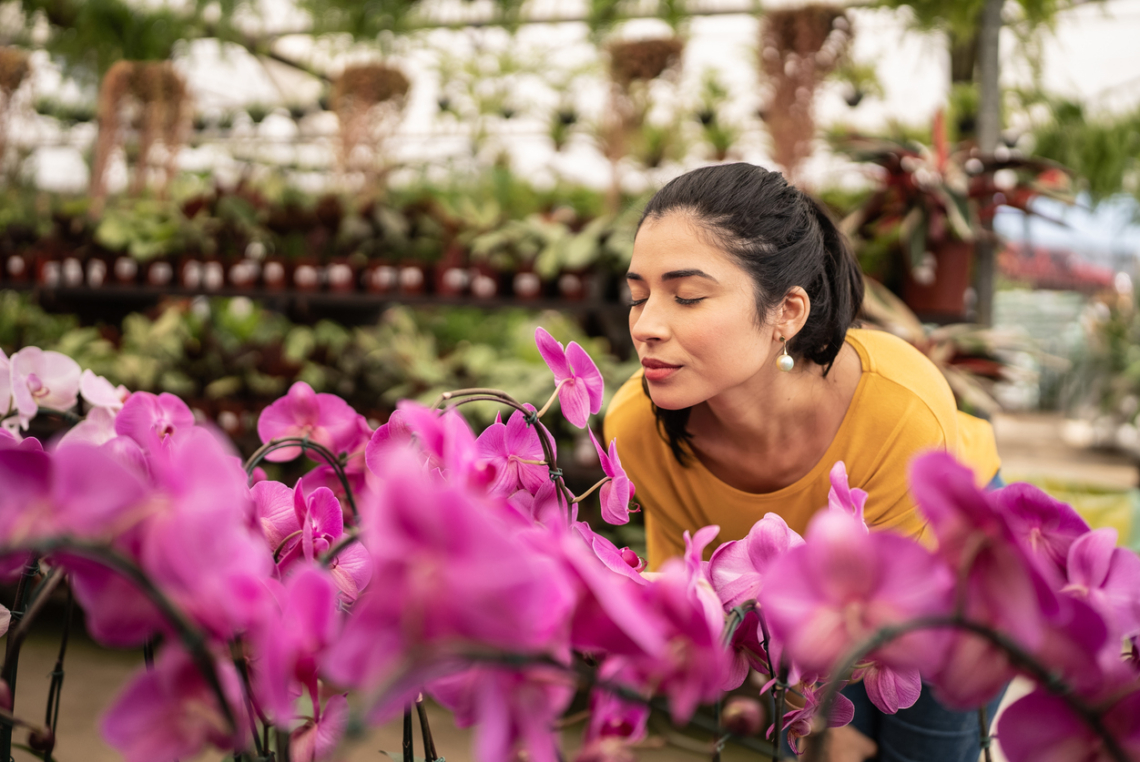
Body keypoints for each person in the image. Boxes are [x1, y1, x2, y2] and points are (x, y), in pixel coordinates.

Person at [602, 163, 1004, 762]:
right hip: (789, 607)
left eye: (686, 296)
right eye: (639, 296)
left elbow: (891, 624)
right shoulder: (637, 425)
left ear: (786, 312)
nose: (647, 326)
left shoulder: (898, 409)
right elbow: (694, 589)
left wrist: (835, 721)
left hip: (937, 571)